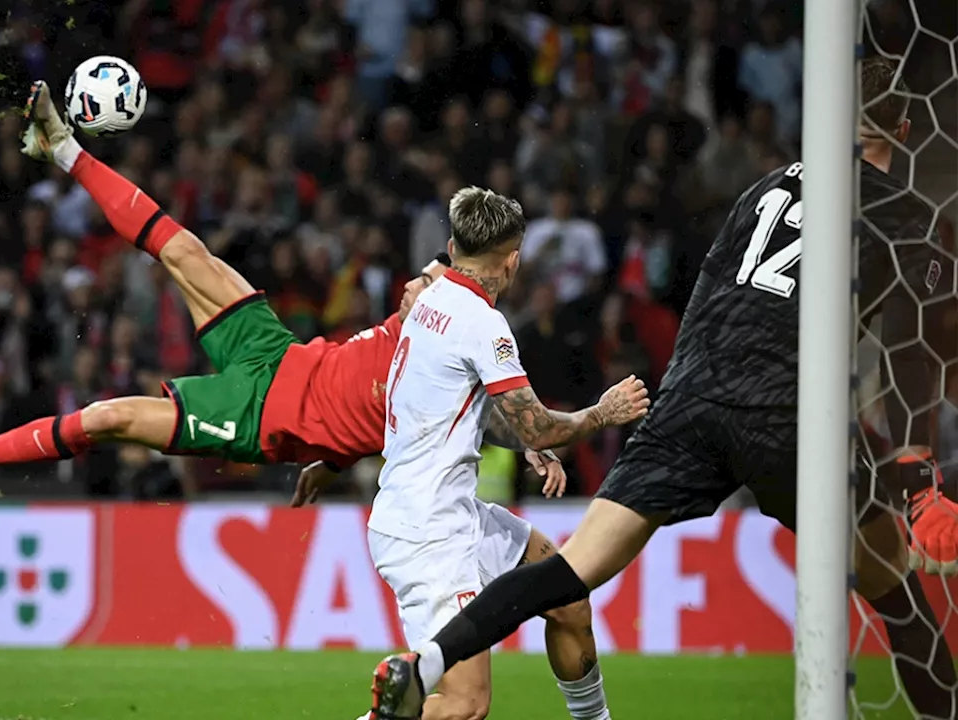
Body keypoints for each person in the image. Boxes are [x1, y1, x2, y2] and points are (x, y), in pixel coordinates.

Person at [0, 81, 634, 720]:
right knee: (182, 255)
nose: (419, 282)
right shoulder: (449, 301)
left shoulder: (450, 331)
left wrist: (343, 449)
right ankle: (62, 153)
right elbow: (479, 386)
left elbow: (473, 412)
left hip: (279, 421)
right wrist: (552, 425)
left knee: (113, 417)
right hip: (279, 365)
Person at [369, 57, 958, 720]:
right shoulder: (908, 215)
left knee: (570, 572)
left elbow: (711, 288)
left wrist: (683, 392)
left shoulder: (765, 187)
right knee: (897, 593)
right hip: (786, 411)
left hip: (690, 400)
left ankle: (426, 664)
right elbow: (923, 338)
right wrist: (913, 459)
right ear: (904, 128)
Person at [368, 185, 649, 720]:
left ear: (452, 248)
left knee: (567, 594)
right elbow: (541, 426)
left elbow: (483, 412)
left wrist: (522, 440)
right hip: (429, 534)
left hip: (444, 514)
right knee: (465, 705)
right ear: (514, 261)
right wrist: (602, 413)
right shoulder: (482, 322)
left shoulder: (429, 301)